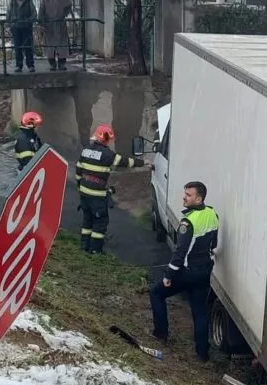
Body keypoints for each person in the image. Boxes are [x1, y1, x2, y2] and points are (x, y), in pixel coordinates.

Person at [150, 182, 219, 361]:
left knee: (156, 293)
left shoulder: (188, 222)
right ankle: (202, 354)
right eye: (185, 193)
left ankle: (161, 334)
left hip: (187, 272)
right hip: (204, 271)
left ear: (199, 198)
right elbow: (214, 244)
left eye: (188, 195)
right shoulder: (212, 214)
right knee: (200, 312)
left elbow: (180, 252)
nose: (184, 197)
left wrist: (168, 275)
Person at [75, 123, 144, 254]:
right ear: (106, 139)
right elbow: (125, 162)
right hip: (97, 195)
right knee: (100, 222)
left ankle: (84, 246)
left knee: (87, 220)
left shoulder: (85, 150)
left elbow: (78, 171)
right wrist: (143, 163)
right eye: (109, 140)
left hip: (84, 192)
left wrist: (80, 187)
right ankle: (95, 250)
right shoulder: (107, 154)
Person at [38, 0, 73, 71]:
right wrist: (41, 23)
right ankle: (52, 64)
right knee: (50, 46)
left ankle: (61, 64)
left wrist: (65, 13)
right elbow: (41, 11)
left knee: (62, 45)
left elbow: (69, 4)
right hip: (49, 25)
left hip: (60, 24)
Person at [7, 0, 37, 73]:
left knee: (28, 47)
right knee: (17, 47)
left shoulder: (29, 1)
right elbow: (8, 13)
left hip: (26, 27)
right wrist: (8, 24)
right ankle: (18, 65)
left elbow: (34, 13)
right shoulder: (12, 2)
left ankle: (30, 65)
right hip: (15, 27)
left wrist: (29, 21)